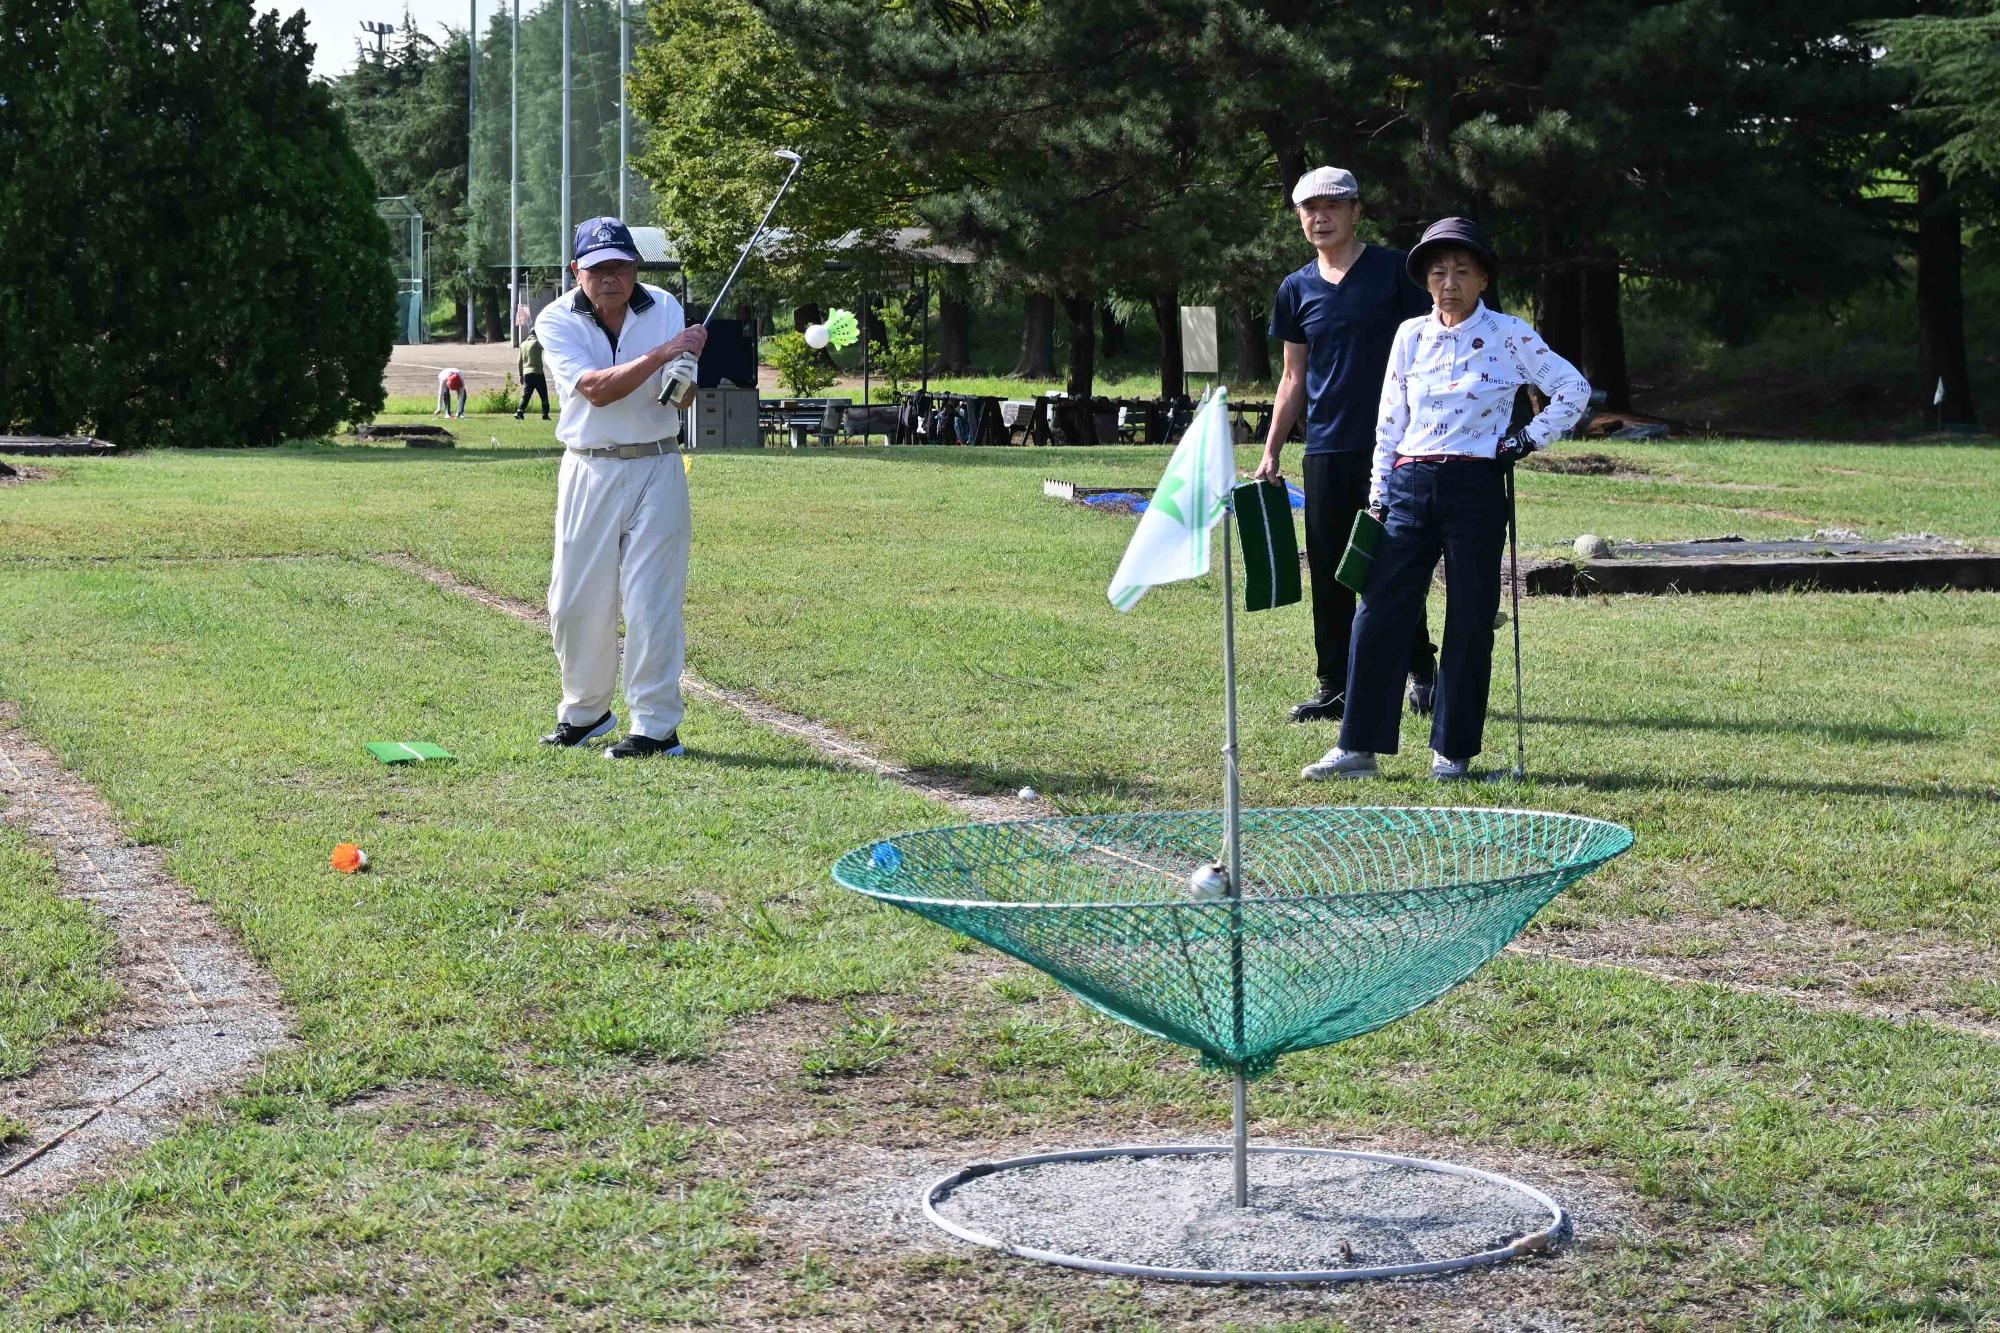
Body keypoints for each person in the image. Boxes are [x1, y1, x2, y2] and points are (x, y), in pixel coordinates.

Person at [1304, 217, 1590, 782]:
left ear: (1483, 277)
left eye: (1462, 271)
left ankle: (1451, 754)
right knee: (1378, 612)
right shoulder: (1410, 334)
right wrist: (1379, 496)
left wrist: (1525, 440)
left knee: (1470, 619)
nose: (1449, 283)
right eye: (1438, 273)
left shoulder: (1511, 334)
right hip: (1409, 485)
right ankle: (1357, 747)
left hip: (1477, 486)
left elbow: (1572, 388)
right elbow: (1390, 420)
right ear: (1426, 281)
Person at [1253, 166, 1438, 726]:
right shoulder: (1296, 288)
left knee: (1391, 562)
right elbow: (1292, 376)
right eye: (1310, 208)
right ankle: (1335, 683)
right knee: (1332, 567)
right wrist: (1271, 449)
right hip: (1327, 449)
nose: (1321, 217)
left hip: (1396, 446)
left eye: (1333, 205)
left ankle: (1421, 670)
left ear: (1356, 210)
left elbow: (1431, 351)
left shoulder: (1396, 272)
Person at [534, 216, 708, 759]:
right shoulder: (555, 319)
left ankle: (656, 729)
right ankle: (587, 714)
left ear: (636, 267)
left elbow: (680, 397)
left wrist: (685, 378)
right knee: (573, 602)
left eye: (623, 266)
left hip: (658, 465)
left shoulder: (664, 306)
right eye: (600, 268)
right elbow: (594, 390)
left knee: (653, 601)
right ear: (576, 271)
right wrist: (664, 353)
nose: (613, 277)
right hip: (588, 467)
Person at [515, 329, 549, 420]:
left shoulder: (523, 344)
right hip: (537, 372)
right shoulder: (537, 342)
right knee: (543, 394)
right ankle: (545, 414)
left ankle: (520, 411)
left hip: (526, 373)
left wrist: (520, 375)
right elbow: (547, 347)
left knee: (526, 394)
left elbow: (519, 361)